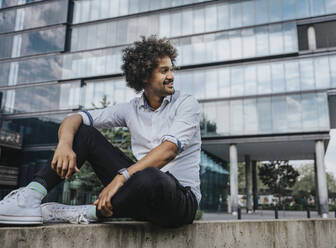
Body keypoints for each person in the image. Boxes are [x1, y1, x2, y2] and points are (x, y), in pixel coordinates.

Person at [0, 35, 201, 228]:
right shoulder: (130, 109)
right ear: (145, 75)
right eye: (164, 71)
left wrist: (121, 177)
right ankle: (30, 197)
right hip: (139, 195)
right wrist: (64, 144)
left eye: (171, 69)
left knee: (151, 176)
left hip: (180, 201)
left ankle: (84, 212)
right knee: (84, 134)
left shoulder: (186, 103)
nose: (171, 76)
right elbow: (75, 118)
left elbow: (169, 150)